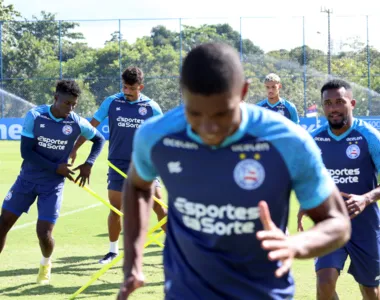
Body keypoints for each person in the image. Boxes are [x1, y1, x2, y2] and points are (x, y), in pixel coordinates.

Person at [117, 42, 351, 300]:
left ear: (243, 91)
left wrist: (294, 244)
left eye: (221, 114)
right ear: (183, 93)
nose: (208, 128)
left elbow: (337, 223)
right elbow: (138, 185)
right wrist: (132, 263)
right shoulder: (156, 135)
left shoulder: (288, 141)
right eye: (195, 113)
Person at [0, 80, 105, 284]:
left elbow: (99, 140)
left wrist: (88, 164)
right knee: (2, 223)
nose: (71, 108)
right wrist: (55, 167)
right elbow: (26, 152)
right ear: (56, 98)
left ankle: (46, 262)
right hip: (26, 180)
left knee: (44, 233)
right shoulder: (35, 116)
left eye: (74, 104)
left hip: (52, 186)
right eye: (67, 103)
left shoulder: (76, 122)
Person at [70, 66, 167, 265]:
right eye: (124, 86)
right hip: (117, 165)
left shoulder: (151, 107)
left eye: (131, 87)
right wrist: (74, 148)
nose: (127, 91)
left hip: (144, 165)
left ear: (141, 86)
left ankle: (176, 250)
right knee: (115, 209)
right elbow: (91, 127)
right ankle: (112, 251)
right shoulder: (111, 102)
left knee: (160, 207)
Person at [297, 79, 380, 300]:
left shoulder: (370, 136)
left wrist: (366, 198)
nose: (333, 108)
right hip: (330, 222)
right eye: (328, 103)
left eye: (339, 102)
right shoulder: (314, 139)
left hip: (365, 225)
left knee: (370, 290)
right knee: (324, 283)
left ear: (351, 103)